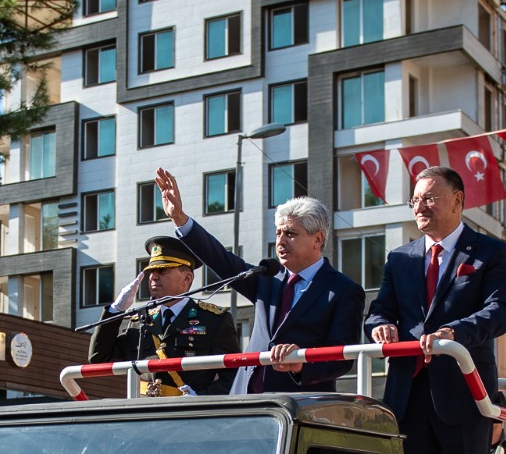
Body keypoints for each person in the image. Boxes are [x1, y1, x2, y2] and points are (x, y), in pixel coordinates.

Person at [365, 166, 506, 454]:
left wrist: (458, 333)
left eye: (429, 197)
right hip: (408, 394)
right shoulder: (400, 257)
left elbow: (500, 311)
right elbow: (380, 310)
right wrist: (379, 326)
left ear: (457, 201)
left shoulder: (489, 252)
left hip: (464, 396)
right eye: (415, 199)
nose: (420, 206)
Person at [154, 168, 364, 393]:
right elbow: (220, 258)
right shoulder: (267, 276)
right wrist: (179, 218)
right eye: (278, 233)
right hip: (247, 398)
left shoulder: (343, 290)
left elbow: (342, 358)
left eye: (290, 234)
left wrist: (301, 364)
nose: (280, 241)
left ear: (317, 239)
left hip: (297, 405)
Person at [88, 237, 238, 396]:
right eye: (151, 271)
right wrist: (116, 310)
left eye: (163, 270)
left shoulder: (213, 320)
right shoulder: (140, 322)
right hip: (144, 412)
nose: (153, 277)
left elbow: (234, 376)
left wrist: (201, 398)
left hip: (188, 414)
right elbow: (99, 358)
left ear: (186, 279)